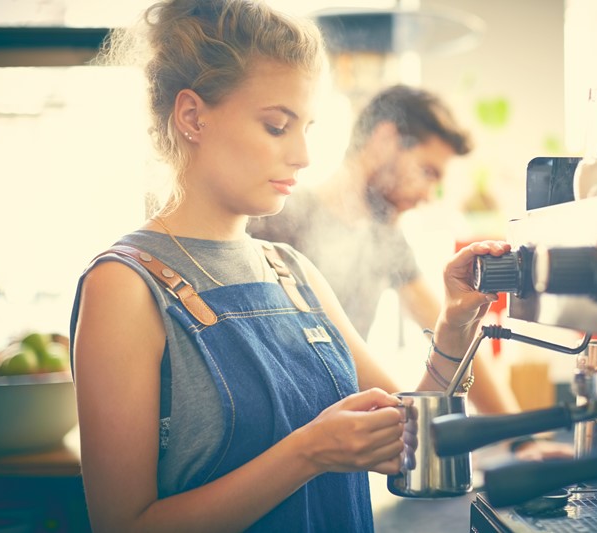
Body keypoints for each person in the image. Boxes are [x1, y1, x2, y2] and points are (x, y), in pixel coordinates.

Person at [69, 1, 511, 531]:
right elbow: (123, 526)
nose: (303, 154)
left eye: (307, 127)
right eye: (278, 126)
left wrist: (457, 325)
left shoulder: (293, 272)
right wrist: (310, 453)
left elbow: (403, 435)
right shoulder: (125, 285)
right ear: (192, 117)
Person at [247, 85, 516, 416]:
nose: (430, 195)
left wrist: (519, 436)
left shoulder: (386, 240)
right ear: (385, 141)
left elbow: (453, 331)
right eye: (427, 172)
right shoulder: (280, 221)